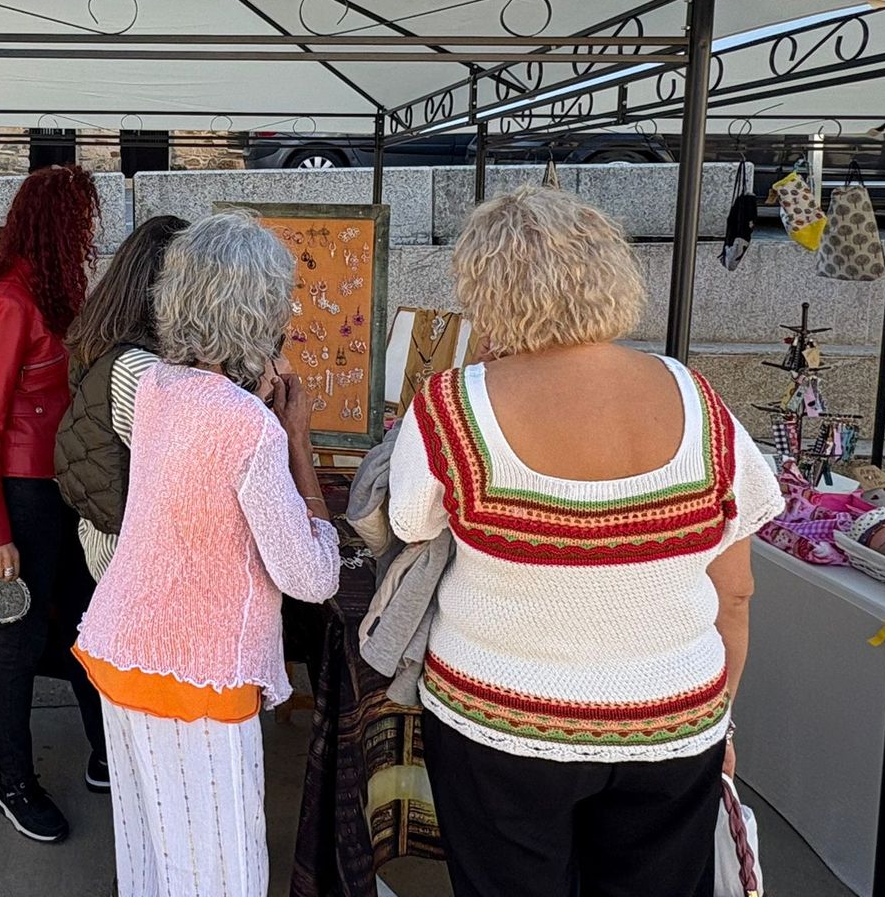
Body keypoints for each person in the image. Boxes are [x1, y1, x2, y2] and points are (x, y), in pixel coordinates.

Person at [387, 186, 784, 897]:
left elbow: (412, 523)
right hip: (672, 717)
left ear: (485, 287)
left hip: (497, 719)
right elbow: (738, 590)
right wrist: (722, 719)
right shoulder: (698, 399)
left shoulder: (451, 405)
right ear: (611, 275)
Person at [75, 212, 341, 897]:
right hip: (193, 668)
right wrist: (299, 447)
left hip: (120, 645)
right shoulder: (246, 423)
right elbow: (311, 578)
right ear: (263, 308)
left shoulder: (162, 386)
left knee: (151, 864)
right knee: (221, 875)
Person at [0, 163, 108, 844]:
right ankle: (11, 781)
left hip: (65, 485)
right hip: (24, 493)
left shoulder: (58, 288)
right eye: (79, 219)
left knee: (86, 620)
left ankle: (104, 749)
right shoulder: (13, 301)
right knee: (19, 640)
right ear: (55, 224)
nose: (89, 232)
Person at [55, 214, 189, 581]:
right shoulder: (139, 369)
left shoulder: (112, 351)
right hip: (135, 561)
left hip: (114, 546)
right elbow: (184, 474)